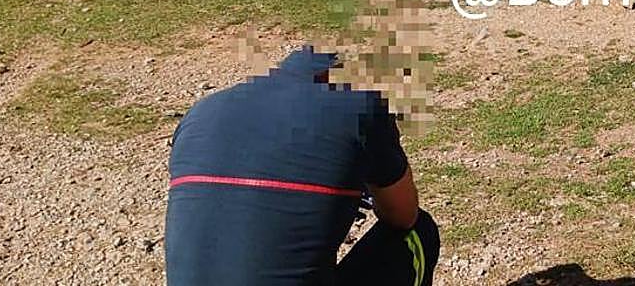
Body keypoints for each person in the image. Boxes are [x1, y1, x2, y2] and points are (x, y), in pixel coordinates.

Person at [165, 46, 439, 285]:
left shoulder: (202, 110)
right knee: (418, 235)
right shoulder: (357, 107)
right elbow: (403, 216)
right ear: (332, 76)